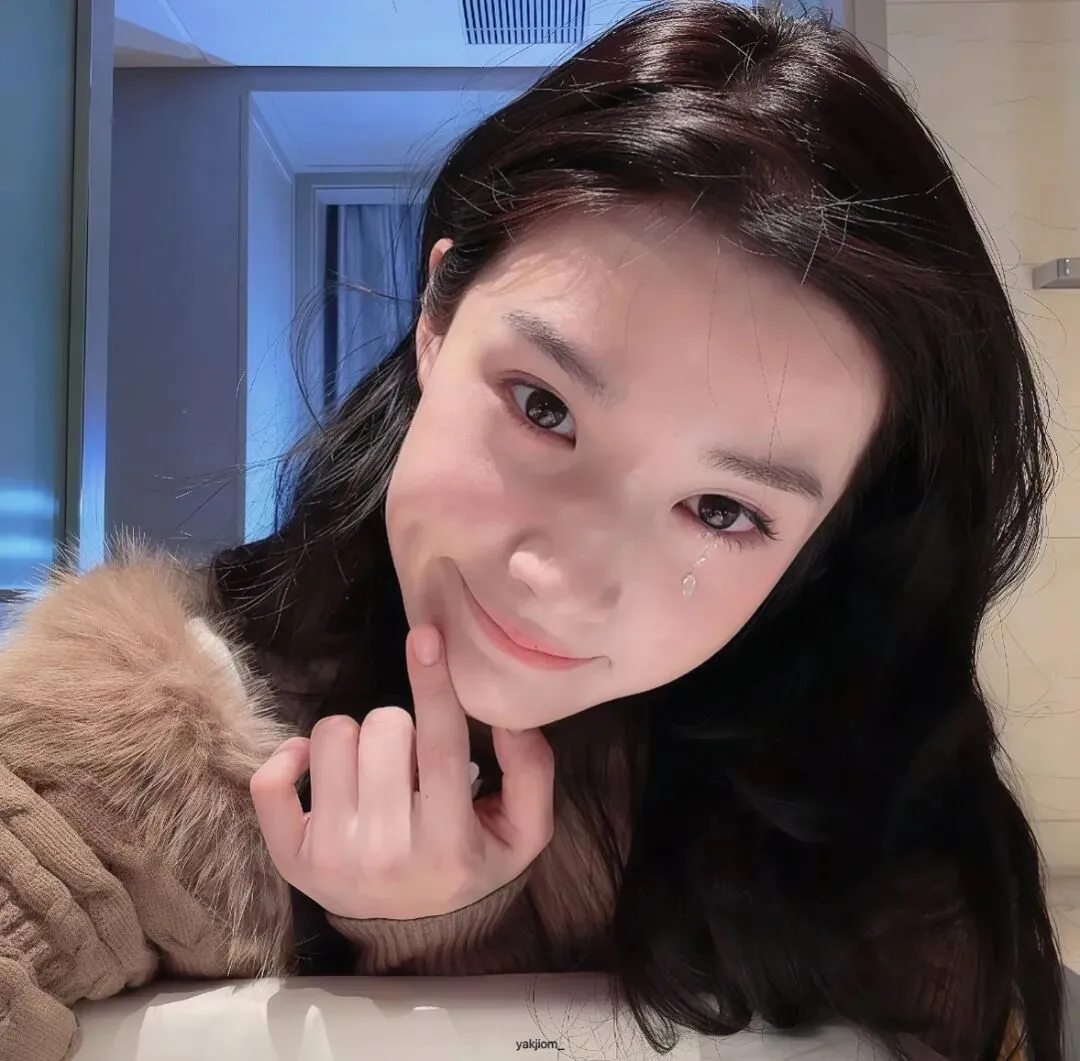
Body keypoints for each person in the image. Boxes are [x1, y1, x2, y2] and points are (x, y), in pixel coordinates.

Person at [0, 2, 1063, 1059]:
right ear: (435, 319)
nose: (561, 578)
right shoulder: (126, 740)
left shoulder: (854, 784)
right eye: (543, 406)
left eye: (723, 510)